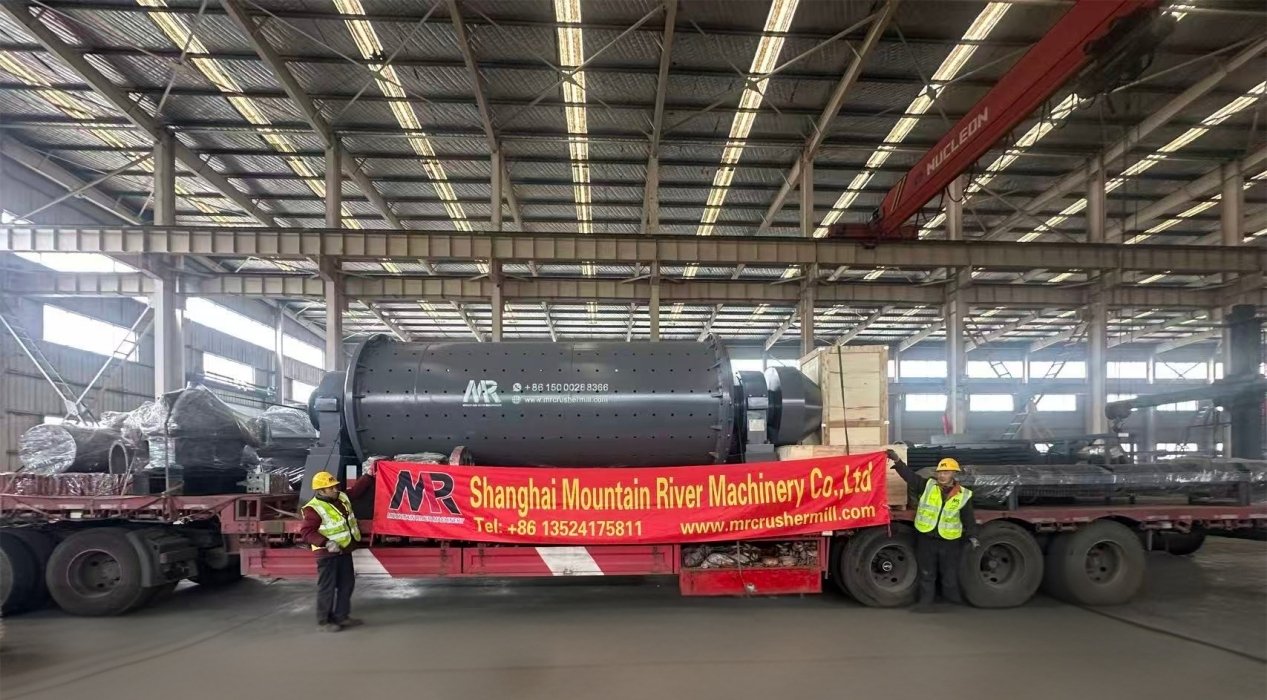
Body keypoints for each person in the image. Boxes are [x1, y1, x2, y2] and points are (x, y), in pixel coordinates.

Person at [886, 450, 979, 612]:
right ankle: (925, 603)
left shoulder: (963, 495)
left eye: (946, 472)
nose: (942, 475)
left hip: (949, 541)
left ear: (954, 474)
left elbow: (968, 518)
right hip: (927, 538)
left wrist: (973, 536)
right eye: (940, 472)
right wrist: (898, 461)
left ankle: (952, 603)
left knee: (949, 573)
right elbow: (911, 477)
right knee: (926, 572)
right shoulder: (928, 486)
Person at [299, 461, 376, 632]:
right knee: (327, 587)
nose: (335, 489)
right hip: (327, 554)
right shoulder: (314, 509)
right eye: (331, 488)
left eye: (335, 486)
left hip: (344, 550)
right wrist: (325, 542)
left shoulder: (341, 497)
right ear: (321, 491)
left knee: (346, 584)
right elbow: (306, 532)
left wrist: (368, 476)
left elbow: (355, 492)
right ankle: (324, 621)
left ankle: (342, 616)